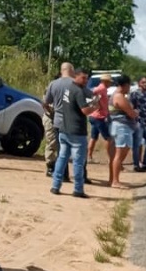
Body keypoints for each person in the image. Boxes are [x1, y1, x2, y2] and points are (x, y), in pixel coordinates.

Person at [50, 69, 99, 198]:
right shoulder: (78, 91)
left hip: (64, 129)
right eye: (83, 78)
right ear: (75, 77)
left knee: (62, 158)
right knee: (78, 161)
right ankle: (78, 189)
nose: (85, 81)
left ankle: (55, 186)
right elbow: (85, 110)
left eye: (87, 78)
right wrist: (95, 106)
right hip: (76, 131)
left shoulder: (68, 89)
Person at [42, 62, 74, 180]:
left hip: (56, 118)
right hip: (51, 117)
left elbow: (45, 102)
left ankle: (60, 172)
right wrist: (51, 113)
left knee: (61, 146)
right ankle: (51, 167)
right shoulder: (69, 85)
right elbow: (45, 104)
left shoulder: (53, 85)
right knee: (52, 143)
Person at [109, 75, 138, 189]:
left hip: (120, 127)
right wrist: (136, 112)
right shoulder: (119, 96)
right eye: (129, 85)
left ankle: (114, 179)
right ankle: (115, 181)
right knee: (119, 155)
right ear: (125, 85)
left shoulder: (116, 95)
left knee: (119, 154)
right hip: (122, 127)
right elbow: (131, 113)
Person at [87, 73, 113, 165]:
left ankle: (89, 156)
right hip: (98, 117)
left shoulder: (103, 89)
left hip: (95, 116)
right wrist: (95, 103)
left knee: (94, 137)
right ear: (105, 81)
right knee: (108, 138)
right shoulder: (101, 88)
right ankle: (110, 158)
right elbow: (91, 93)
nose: (110, 84)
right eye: (109, 82)